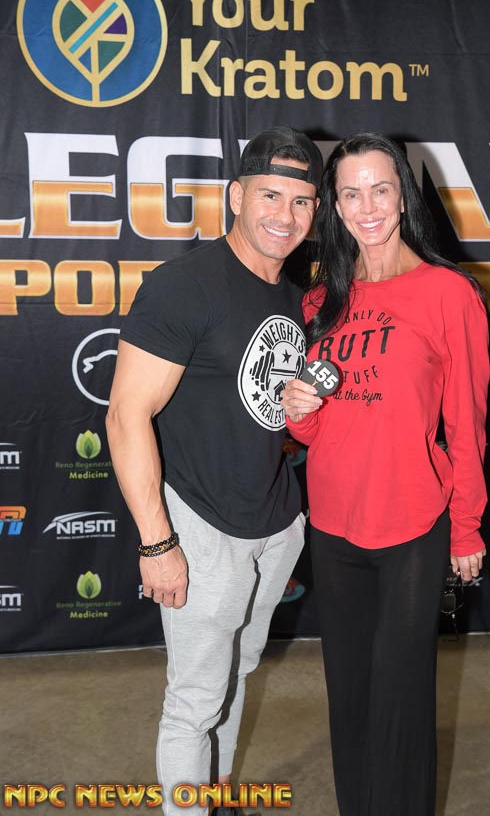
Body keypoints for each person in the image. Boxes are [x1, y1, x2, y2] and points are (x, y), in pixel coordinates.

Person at [106, 126, 322, 816]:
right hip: (202, 528)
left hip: (273, 524)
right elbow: (126, 416)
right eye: (269, 196)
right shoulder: (183, 286)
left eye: (301, 201)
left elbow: (261, 408)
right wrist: (157, 543)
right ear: (236, 196)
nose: (284, 215)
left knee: (237, 678)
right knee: (195, 702)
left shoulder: (292, 296)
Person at [281, 132, 489, 816]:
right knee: (349, 700)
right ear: (335, 207)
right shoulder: (320, 303)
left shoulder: (447, 293)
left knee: (401, 705)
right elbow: (312, 431)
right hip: (334, 526)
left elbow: (466, 424)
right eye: (351, 193)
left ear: (404, 196)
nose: (367, 206)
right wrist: (298, 411)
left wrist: (466, 527)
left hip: (412, 529)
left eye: (380, 189)